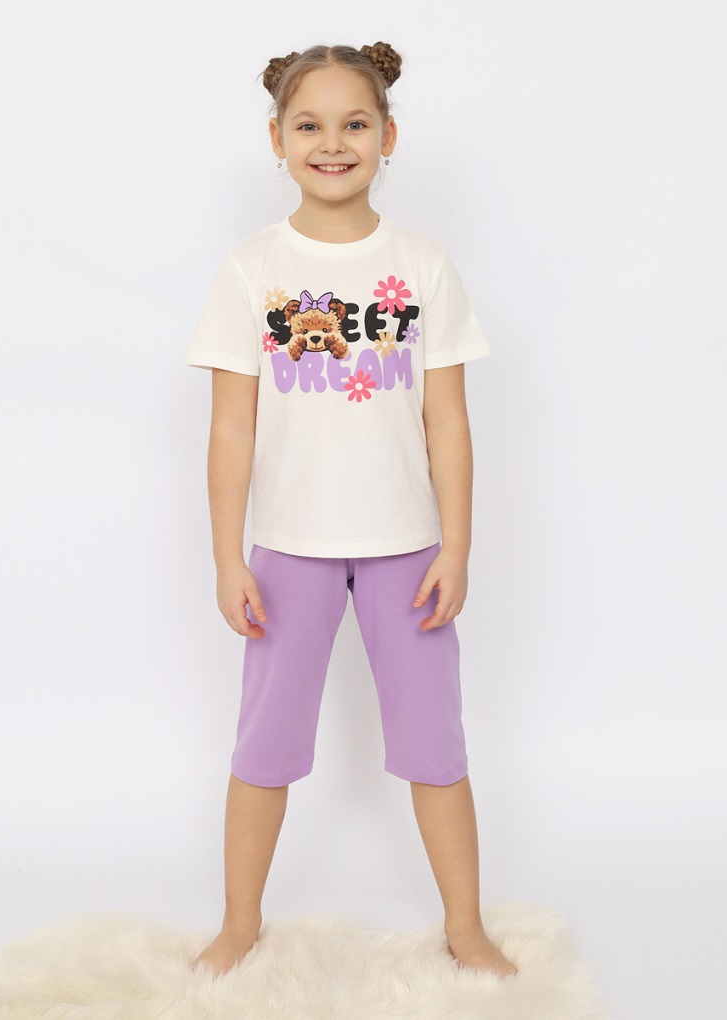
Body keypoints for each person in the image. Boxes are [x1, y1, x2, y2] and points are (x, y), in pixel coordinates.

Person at [184, 41, 518, 981]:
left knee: (435, 746)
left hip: (406, 552)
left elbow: (447, 421)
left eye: (354, 124)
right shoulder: (251, 269)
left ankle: (465, 927)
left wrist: (456, 546)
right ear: (277, 141)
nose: (332, 143)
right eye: (310, 125)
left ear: (387, 136)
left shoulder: (422, 264)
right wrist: (228, 558)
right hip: (287, 551)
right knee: (264, 745)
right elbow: (230, 430)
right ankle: (239, 922)